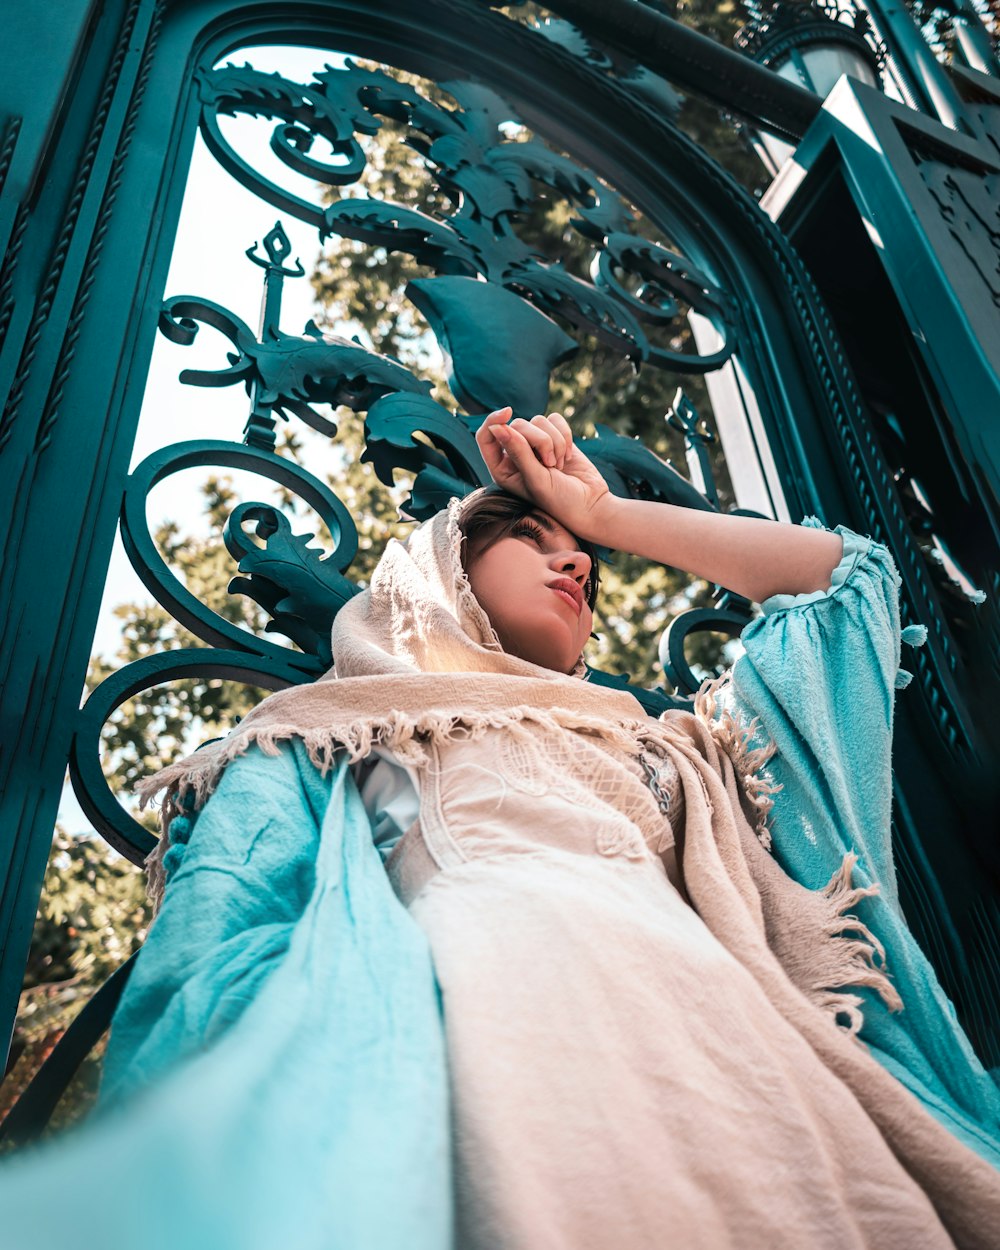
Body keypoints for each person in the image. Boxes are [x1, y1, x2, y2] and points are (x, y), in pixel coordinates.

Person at [23, 405, 995, 1250]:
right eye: (532, 536)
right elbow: (218, 946)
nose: (572, 557)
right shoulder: (344, 746)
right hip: (491, 1065)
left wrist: (601, 511)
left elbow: (841, 583)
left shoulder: (672, 753)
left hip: (755, 1078)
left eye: (577, 552)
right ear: (439, 565)